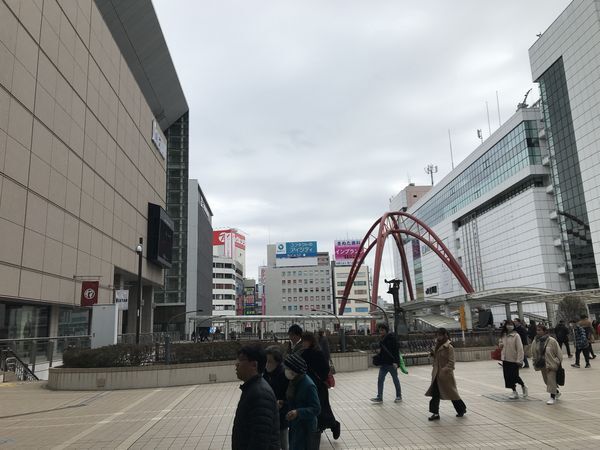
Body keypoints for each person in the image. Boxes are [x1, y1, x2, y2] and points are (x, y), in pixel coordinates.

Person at [232, 345, 280, 450]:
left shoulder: (260, 394)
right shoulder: (252, 388)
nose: (236, 364)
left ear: (254, 365)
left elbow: (260, 440)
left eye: (241, 360)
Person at [301, 332, 341, 440]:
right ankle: (320, 427)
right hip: (311, 385)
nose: (303, 343)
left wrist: (321, 380)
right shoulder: (304, 353)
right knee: (319, 408)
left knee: (323, 408)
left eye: (305, 341)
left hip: (319, 386)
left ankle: (334, 425)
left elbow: (325, 369)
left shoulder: (316, 353)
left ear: (310, 341)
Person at [425, 328, 467, 420]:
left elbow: (451, 363)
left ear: (445, 335)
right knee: (435, 394)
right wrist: (432, 354)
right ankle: (435, 413)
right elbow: (437, 358)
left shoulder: (449, 347)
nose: (438, 337)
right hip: (436, 374)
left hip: (445, 375)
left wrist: (444, 370)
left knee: (452, 393)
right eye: (438, 335)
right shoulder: (437, 345)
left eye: (440, 335)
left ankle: (461, 409)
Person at [283, 353, 321, 450]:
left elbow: (316, 409)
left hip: (306, 428)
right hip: (295, 425)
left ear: (294, 370)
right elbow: (295, 401)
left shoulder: (308, 385)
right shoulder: (294, 382)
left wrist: (298, 412)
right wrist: (284, 403)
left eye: (287, 368)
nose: (285, 370)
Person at [264, 346, 290, 450]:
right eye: (266, 361)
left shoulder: (284, 374)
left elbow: (290, 396)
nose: (267, 364)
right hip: (268, 415)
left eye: (270, 361)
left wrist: (282, 402)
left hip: (282, 416)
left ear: (278, 362)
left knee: (283, 443)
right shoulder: (264, 374)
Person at [370, 322, 402, 403]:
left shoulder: (392, 338)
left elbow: (396, 351)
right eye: (380, 330)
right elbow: (383, 352)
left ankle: (399, 396)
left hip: (391, 364)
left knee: (395, 379)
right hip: (384, 364)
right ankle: (379, 397)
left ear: (386, 330)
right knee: (380, 380)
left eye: (382, 330)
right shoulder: (382, 339)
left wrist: (396, 362)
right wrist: (377, 357)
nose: (381, 332)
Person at [531, 324, 563, 405]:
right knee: (547, 381)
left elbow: (559, 353)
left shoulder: (551, 341)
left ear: (545, 331)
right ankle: (556, 392)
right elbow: (533, 352)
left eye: (540, 330)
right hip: (542, 364)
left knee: (551, 380)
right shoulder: (535, 341)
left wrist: (556, 362)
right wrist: (534, 362)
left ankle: (552, 397)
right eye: (537, 330)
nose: (538, 332)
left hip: (551, 365)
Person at [499, 320, 528, 399]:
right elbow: (500, 343)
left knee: (515, 376)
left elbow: (520, 348)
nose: (509, 326)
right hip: (505, 359)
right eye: (508, 324)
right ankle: (514, 391)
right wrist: (500, 345)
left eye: (511, 324)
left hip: (514, 359)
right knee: (507, 377)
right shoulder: (503, 335)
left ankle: (523, 386)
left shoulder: (516, 336)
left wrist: (520, 360)